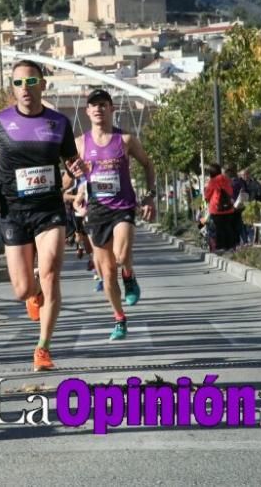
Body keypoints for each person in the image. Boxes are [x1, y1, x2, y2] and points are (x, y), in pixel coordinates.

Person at [0, 59, 84, 372]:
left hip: (48, 209)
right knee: (22, 289)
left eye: (31, 82)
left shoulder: (59, 123)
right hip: (13, 211)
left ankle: (42, 348)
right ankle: (32, 294)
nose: (25, 89)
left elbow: (72, 166)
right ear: (12, 88)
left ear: (43, 85)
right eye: (18, 83)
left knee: (50, 274)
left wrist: (75, 171)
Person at [78, 88, 156, 340]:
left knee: (121, 256)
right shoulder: (80, 143)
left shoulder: (125, 140)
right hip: (96, 211)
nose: (98, 109)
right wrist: (78, 191)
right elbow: (71, 176)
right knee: (106, 273)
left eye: (103, 104)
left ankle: (130, 275)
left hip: (123, 207)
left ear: (112, 109)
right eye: (94, 105)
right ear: (87, 111)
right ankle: (119, 319)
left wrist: (149, 195)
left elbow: (147, 163)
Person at [204, 163, 235, 251]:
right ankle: (230, 246)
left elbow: (207, 196)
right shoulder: (226, 180)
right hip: (228, 209)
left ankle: (221, 246)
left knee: (219, 228)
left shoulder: (212, 181)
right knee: (228, 227)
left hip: (216, 209)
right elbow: (231, 192)